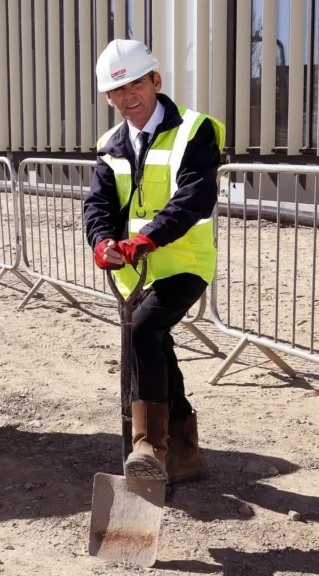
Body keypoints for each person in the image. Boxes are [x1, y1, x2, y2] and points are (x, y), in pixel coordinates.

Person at [83, 39, 225, 485]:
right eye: (117, 92)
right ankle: (185, 454)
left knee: (143, 333)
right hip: (133, 273)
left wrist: (146, 239)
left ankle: (148, 450)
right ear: (108, 97)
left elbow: (195, 196)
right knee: (156, 349)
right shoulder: (110, 143)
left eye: (135, 86)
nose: (128, 99)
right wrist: (102, 239)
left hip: (184, 262)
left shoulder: (194, 130)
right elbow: (98, 203)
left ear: (155, 81)